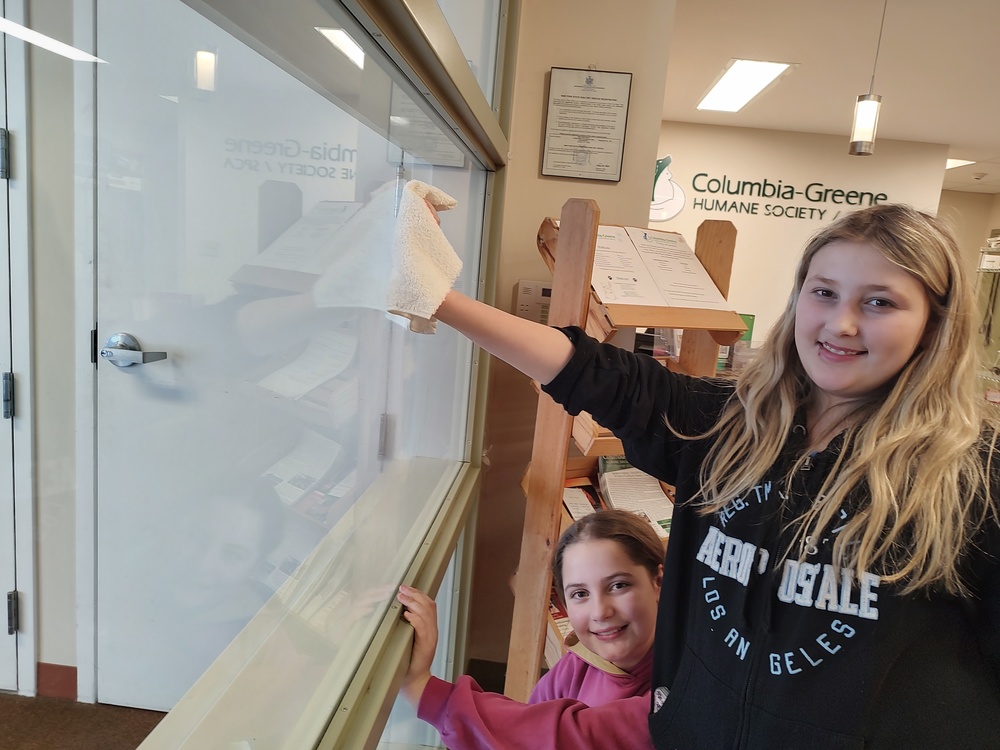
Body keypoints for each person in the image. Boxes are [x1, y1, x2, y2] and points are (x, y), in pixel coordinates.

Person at [419, 202, 1000, 748]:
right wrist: (437, 298)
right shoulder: (732, 427)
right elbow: (595, 373)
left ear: (934, 323)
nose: (841, 324)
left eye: (879, 302)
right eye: (824, 293)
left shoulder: (973, 476)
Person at [398, 509, 664, 746]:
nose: (600, 612)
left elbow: (568, 736)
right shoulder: (576, 666)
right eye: (580, 594)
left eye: (618, 586)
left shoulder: (685, 683)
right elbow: (526, 725)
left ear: (659, 582)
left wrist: (425, 689)